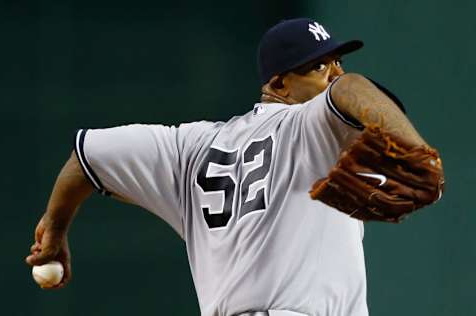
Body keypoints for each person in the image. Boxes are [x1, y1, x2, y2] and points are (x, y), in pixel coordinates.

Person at [26, 18, 436, 316]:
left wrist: (55, 227)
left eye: (337, 61)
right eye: (320, 66)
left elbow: (86, 158)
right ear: (278, 85)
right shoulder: (309, 123)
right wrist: (420, 152)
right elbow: (352, 88)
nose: (335, 74)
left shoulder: (188, 147)